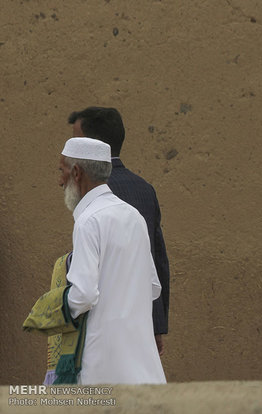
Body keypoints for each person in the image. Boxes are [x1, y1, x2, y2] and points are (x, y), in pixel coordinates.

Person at [57, 137, 166, 384]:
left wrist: (56, 310)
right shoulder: (133, 216)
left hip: (102, 364)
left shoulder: (88, 221)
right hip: (143, 366)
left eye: (61, 170)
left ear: (76, 173)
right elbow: (151, 287)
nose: (59, 180)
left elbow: (83, 295)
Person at [68, 107, 170, 355]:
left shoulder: (89, 189)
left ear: (92, 145)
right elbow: (157, 262)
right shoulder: (144, 189)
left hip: (101, 332)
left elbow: (86, 285)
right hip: (139, 326)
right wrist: (156, 327)